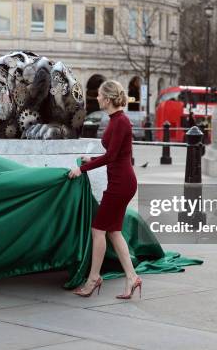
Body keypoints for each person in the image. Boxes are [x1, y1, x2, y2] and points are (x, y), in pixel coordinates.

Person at [68, 80, 141, 299]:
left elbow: (111, 156)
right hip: (121, 181)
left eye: (99, 95)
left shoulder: (120, 122)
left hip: (121, 184)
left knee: (98, 230)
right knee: (113, 231)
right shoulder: (116, 120)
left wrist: (83, 168)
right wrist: (92, 159)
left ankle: (93, 279)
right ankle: (132, 277)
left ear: (108, 99)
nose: (97, 98)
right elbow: (115, 154)